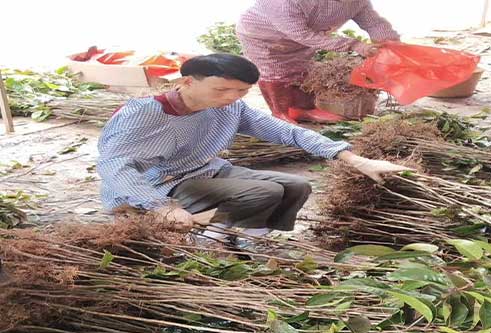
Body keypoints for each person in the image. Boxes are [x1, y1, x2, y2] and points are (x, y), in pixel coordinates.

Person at [97, 53, 409, 247]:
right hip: (161, 184)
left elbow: (287, 131)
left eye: (241, 91)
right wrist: (159, 206)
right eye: (222, 89)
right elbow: (115, 168)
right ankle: (208, 238)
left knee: (297, 186)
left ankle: (244, 237)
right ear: (188, 82)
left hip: (208, 171)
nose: (233, 97)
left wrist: (356, 160)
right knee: (262, 194)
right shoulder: (141, 115)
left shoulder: (230, 107)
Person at [237, 0, 400, 123]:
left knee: (302, 71)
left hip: (305, 38)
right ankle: (280, 113)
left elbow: (373, 22)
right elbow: (300, 34)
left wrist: (389, 42)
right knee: (275, 73)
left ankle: (302, 110)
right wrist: (354, 45)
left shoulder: (355, 1)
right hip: (262, 36)